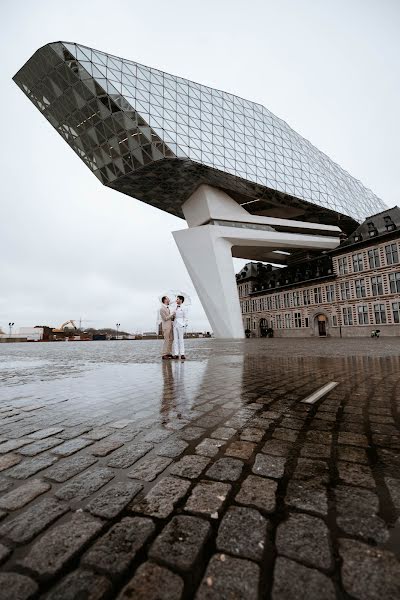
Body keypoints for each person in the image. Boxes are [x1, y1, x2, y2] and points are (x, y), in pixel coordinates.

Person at [173, 295, 188, 359]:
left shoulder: (184, 307)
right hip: (175, 324)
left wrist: (184, 324)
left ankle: (182, 354)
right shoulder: (175, 307)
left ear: (181, 300)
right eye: (176, 299)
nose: (176, 300)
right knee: (175, 339)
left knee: (181, 339)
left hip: (181, 324)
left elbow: (186, 317)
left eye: (177, 299)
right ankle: (176, 354)